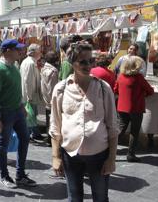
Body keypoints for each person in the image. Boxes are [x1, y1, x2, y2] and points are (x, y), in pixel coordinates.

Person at [50, 42, 118, 202]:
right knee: (74, 198)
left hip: (99, 154)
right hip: (71, 155)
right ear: (72, 63)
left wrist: (111, 159)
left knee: (101, 197)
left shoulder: (103, 88)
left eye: (91, 61)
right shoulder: (60, 89)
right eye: (83, 61)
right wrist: (55, 157)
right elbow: (55, 125)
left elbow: (112, 126)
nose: (88, 65)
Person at [0, 39, 36, 188]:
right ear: (8, 51)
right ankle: (4, 176)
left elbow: (16, 90)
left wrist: (22, 105)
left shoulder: (15, 66)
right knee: (3, 145)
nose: (20, 51)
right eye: (17, 49)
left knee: (24, 139)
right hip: (5, 113)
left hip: (17, 110)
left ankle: (20, 174)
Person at [114, 56, 154, 162]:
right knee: (134, 131)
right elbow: (150, 90)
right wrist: (143, 93)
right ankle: (131, 154)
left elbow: (116, 90)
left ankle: (108, 150)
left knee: (120, 129)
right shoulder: (138, 78)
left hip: (122, 107)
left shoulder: (121, 76)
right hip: (136, 108)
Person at [20, 44, 43, 141]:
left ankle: (34, 132)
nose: (40, 53)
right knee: (30, 115)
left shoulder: (29, 62)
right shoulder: (30, 63)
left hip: (29, 94)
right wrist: (29, 95)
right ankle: (28, 134)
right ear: (34, 52)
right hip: (29, 95)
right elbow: (28, 81)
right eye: (39, 51)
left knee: (31, 115)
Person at [40, 51, 59, 144]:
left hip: (46, 98)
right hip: (51, 99)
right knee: (52, 120)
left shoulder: (44, 69)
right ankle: (50, 139)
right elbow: (53, 88)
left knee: (48, 118)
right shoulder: (53, 71)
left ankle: (49, 137)